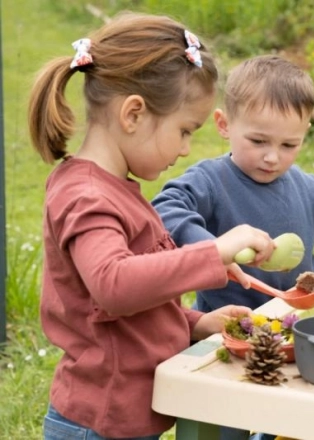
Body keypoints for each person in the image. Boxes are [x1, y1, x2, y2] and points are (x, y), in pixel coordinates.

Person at [28, 12, 276, 440]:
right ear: (133, 114)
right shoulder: (87, 197)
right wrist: (213, 252)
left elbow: (120, 313)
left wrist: (195, 323)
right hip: (97, 425)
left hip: (122, 420)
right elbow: (114, 286)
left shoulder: (114, 189)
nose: (184, 150)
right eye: (184, 131)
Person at [151, 54, 314, 440]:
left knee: (292, 421)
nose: (272, 156)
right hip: (230, 339)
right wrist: (214, 249)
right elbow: (165, 209)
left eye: (289, 144)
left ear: (306, 132)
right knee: (225, 426)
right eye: (258, 141)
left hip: (292, 338)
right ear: (224, 124)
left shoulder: (304, 185)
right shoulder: (211, 180)